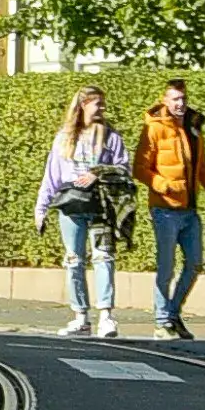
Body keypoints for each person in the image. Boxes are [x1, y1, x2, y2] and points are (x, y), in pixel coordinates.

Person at [35, 83, 129, 336]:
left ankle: (106, 315)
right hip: (71, 204)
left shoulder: (111, 137)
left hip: (101, 206)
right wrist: (41, 208)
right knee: (74, 259)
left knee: (104, 257)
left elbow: (124, 168)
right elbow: (51, 176)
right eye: (98, 103)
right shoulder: (64, 138)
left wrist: (97, 172)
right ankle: (80, 316)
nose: (103, 108)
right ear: (83, 105)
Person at [134, 75, 205, 337]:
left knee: (194, 263)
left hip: (190, 211)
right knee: (166, 267)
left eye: (183, 98)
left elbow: (202, 169)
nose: (181, 103)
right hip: (165, 209)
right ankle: (162, 320)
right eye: (175, 99)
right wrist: (163, 184)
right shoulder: (155, 129)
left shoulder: (193, 128)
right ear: (165, 101)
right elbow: (139, 168)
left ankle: (172, 313)